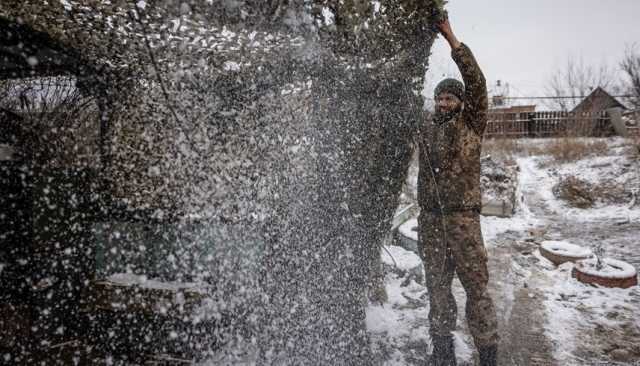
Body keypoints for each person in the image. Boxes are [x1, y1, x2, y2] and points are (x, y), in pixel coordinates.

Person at [417, 15, 499, 366]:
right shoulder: (424, 127)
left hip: (464, 224)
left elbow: (477, 82)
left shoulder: (472, 123)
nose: (445, 103)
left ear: (462, 102)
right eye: (441, 98)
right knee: (437, 291)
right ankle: (442, 351)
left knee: (477, 291)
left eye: (451, 98)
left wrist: (451, 38)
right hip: (433, 224)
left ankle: (489, 355)